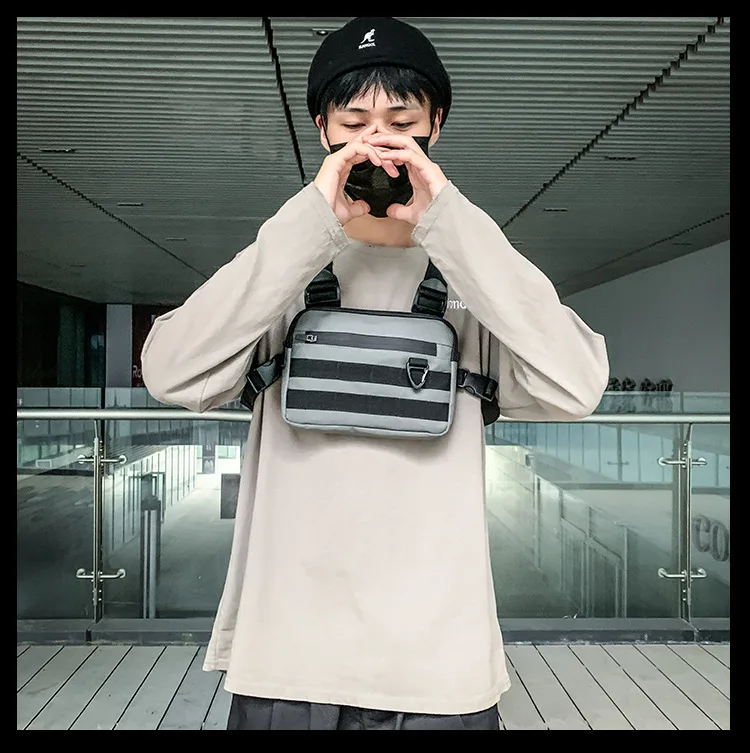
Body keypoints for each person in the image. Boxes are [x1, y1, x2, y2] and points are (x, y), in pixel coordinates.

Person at [141, 16, 609, 731]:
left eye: (401, 122)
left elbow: (578, 385)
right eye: (354, 123)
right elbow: (171, 373)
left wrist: (450, 222)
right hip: (289, 657)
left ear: (436, 126)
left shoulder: (470, 283)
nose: (377, 142)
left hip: (437, 666)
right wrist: (309, 224)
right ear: (323, 131)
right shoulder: (287, 274)